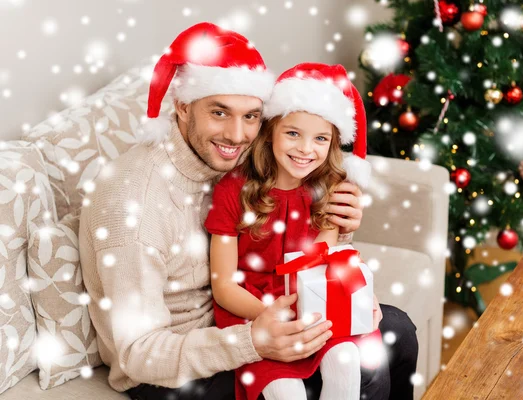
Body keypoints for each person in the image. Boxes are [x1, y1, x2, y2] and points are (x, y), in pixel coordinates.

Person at [79, 22, 418, 400]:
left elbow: (287, 224)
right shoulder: (134, 204)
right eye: (219, 113)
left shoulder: (241, 159)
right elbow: (136, 355)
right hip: (178, 365)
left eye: (251, 116)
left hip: (255, 308)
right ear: (182, 106)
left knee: (397, 332)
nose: (238, 135)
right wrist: (254, 341)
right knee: (363, 371)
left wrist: (340, 235)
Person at [205, 62, 380, 400]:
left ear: (332, 144)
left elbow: (321, 263)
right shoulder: (232, 191)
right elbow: (223, 284)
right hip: (254, 309)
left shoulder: (328, 188)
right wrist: (272, 317)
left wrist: (353, 296)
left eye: (320, 138)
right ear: (271, 131)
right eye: (293, 133)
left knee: (346, 359)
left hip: (311, 302)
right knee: (286, 391)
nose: (305, 149)